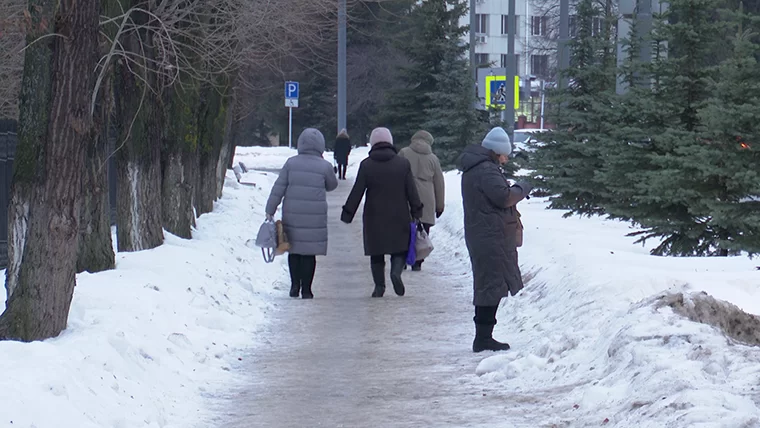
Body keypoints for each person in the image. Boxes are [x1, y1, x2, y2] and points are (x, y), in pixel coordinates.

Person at [457, 127, 533, 352]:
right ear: (496, 151)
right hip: (490, 236)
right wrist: (523, 187)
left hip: (485, 233)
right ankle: (483, 338)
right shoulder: (486, 170)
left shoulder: (479, 168)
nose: (507, 158)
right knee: (490, 285)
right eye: (505, 154)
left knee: (489, 284)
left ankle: (484, 336)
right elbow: (503, 197)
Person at [341, 127, 423, 298]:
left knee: (376, 252)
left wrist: (348, 213)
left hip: (374, 216)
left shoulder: (366, 165)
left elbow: (357, 191)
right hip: (399, 215)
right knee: (399, 249)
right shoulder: (402, 164)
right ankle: (395, 273)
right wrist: (417, 210)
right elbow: (411, 190)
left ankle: (379, 286)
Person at [266, 128, 339, 299]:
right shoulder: (324, 166)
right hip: (315, 216)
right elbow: (332, 185)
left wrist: (270, 209)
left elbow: (278, 188)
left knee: (294, 250)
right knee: (308, 253)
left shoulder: (291, 163)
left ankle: (294, 286)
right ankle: (307, 289)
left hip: (292, 214)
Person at [398, 130, 445, 271]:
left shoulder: (404, 153)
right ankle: (418, 260)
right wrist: (439, 206)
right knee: (423, 229)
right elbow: (439, 183)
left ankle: (402, 258)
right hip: (427, 198)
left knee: (404, 227)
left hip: (405, 195)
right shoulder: (433, 159)